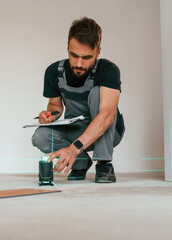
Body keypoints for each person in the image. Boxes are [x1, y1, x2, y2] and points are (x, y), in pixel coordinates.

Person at [32, 17, 125, 183]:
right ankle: (81, 163)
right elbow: (55, 105)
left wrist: (73, 149)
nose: (79, 64)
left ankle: (104, 163)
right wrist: (50, 116)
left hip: (109, 132)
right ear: (67, 47)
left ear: (98, 52)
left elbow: (107, 115)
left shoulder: (108, 70)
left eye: (87, 57)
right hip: (78, 130)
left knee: (97, 93)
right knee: (40, 136)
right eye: (74, 55)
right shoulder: (54, 71)